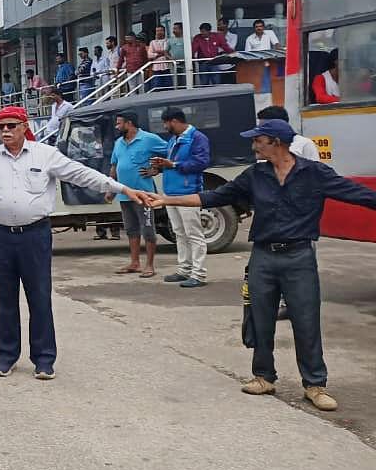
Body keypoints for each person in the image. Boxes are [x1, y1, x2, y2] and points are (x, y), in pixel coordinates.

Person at [147, 119, 376, 411]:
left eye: (258, 140)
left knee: (306, 320)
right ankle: (263, 377)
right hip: (263, 257)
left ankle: (315, 385)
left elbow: (358, 195)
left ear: (276, 143)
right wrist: (167, 200)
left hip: (299, 257)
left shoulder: (314, 173)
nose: (253, 145)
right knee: (260, 317)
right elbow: (216, 196)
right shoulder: (255, 175)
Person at [0, 106, 148, 379]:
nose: (6, 131)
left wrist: (121, 188)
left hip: (35, 235)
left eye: (11, 126)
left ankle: (44, 359)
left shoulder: (45, 155)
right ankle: (6, 356)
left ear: (24, 126)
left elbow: (81, 174)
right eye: (1, 127)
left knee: (39, 298)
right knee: (6, 299)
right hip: (1, 236)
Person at [149, 108, 211, 287]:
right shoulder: (174, 140)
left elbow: (201, 162)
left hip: (188, 192)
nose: (165, 126)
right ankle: (184, 269)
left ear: (174, 121)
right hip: (171, 192)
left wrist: (173, 164)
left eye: (166, 123)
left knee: (193, 234)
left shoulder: (197, 138)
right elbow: (173, 164)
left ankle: (198, 274)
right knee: (179, 233)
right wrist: (161, 166)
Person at [108, 111, 168, 278]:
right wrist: (110, 189)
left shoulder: (149, 139)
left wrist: (157, 169)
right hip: (124, 195)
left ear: (129, 124)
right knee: (131, 230)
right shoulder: (119, 143)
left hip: (144, 195)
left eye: (119, 123)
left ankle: (149, 265)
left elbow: (171, 151)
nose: (117, 126)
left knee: (148, 229)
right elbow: (114, 166)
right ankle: (135, 263)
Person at [146, 25, 172, 90]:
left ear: (164, 31)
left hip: (167, 67)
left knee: (168, 86)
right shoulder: (153, 42)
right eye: (157, 31)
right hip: (156, 68)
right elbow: (149, 54)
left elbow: (171, 52)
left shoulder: (168, 41)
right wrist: (158, 54)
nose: (159, 32)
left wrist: (164, 53)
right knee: (157, 86)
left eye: (161, 30)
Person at [169, 21, 189, 87]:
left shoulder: (187, 39)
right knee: (176, 83)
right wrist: (170, 59)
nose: (173, 30)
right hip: (175, 65)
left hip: (186, 65)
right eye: (173, 29)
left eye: (175, 29)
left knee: (186, 82)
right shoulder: (170, 40)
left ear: (181, 29)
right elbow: (165, 51)